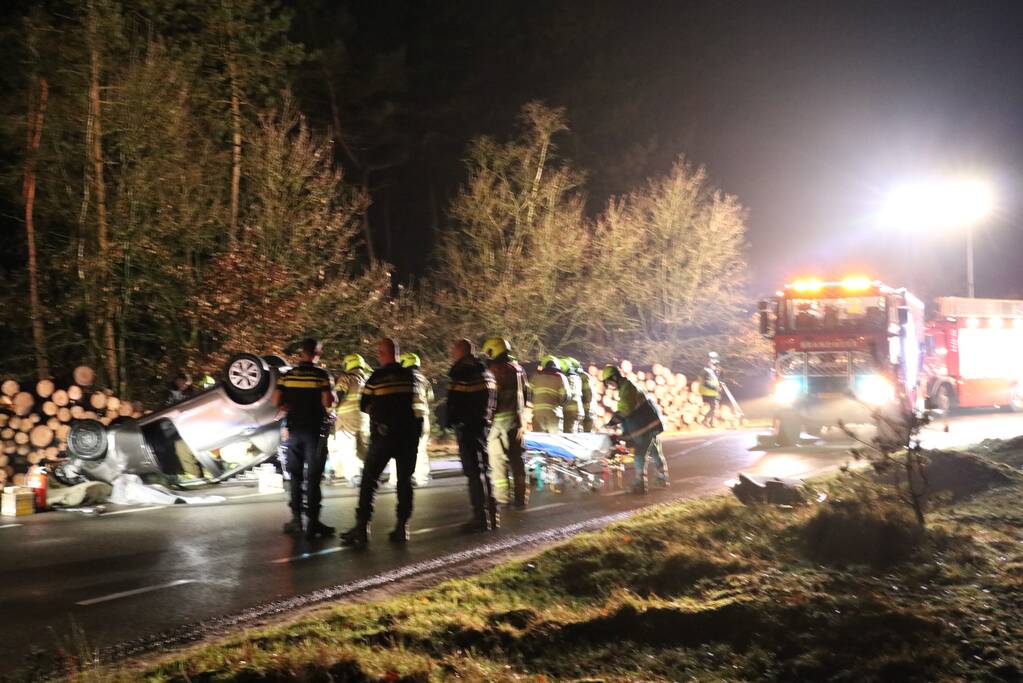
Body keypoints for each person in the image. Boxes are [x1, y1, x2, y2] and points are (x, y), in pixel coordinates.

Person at [341, 338, 424, 547]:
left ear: (382, 354)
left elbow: (364, 405)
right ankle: (402, 528)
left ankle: (362, 529)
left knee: (369, 481)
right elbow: (418, 404)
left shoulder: (376, 377)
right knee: (405, 483)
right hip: (407, 437)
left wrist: (381, 414)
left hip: (384, 436)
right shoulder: (410, 376)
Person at [273, 338, 336, 538]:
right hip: (314, 432)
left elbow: (277, 401)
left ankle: (296, 520)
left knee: (296, 477)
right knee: (314, 477)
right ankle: (313, 522)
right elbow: (328, 401)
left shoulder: (288, 375)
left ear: (302, 353)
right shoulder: (321, 375)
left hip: (293, 432)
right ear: (317, 353)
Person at [445, 339, 499, 532]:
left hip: (467, 427)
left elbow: (454, 401)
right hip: (484, 425)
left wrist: (451, 421)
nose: (452, 354)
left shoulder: (461, 371)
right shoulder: (487, 372)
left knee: (474, 471)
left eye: (454, 350)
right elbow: (494, 400)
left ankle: (480, 517)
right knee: (484, 469)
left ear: (461, 351)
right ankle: (492, 514)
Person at [601, 364, 669, 494]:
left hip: (643, 425)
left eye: (610, 382)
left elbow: (625, 410)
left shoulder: (627, 389)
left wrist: (612, 422)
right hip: (650, 423)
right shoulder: (630, 386)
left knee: (639, 453)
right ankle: (662, 477)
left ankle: (640, 483)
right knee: (654, 450)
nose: (610, 386)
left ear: (615, 378)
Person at [482, 336, 529, 508]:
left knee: (498, 461)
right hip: (516, 421)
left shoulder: (494, 370)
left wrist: (486, 419)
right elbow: (526, 394)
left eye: (489, 352)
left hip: (498, 423)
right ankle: (520, 497)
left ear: (495, 350)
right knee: (518, 460)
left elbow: (491, 399)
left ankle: (502, 498)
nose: (487, 356)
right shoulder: (519, 369)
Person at [329, 353, 371, 487]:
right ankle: (370, 474)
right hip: (364, 419)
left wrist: (330, 410)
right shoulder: (367, 380)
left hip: (346, 420)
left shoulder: (346, 378)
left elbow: (337, 396)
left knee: (347, 449)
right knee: (363, 448)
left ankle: (354, 476)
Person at [399, 352, 434, 488]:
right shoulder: (424, 379)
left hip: (408, 417)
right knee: (421, 448)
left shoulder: (402, 377)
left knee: (403, 449)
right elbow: (430, 399)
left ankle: (400, 479)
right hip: (424, 417)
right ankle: (421, 477)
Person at [530, 355, 568, 433]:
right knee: (554, 441)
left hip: (538, 414)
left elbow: (529, 393)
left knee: (539, 441)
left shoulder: (536, 376)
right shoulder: (561, 377)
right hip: (554, 413)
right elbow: (565, 396)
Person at [567, 358, 597, 433]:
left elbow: (588, 395)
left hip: (587, 410)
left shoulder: (582, 376)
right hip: (588, 410)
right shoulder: (584, 376)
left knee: (583, 435)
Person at [560, 358, 583, 433]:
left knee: (569, 435)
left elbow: (564, 395)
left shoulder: (568, 379)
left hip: (570, 412)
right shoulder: (577, 378)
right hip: (577, 410)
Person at [700, 352, 722, 428]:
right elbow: (706, 382)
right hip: (708, 392)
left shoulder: (713, 371)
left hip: (713, 392)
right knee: (714, 407)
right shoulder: (706, 371)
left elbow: (716, 379)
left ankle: (711, 423)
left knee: (714, 408)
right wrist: (715, 387)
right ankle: (705, 421)